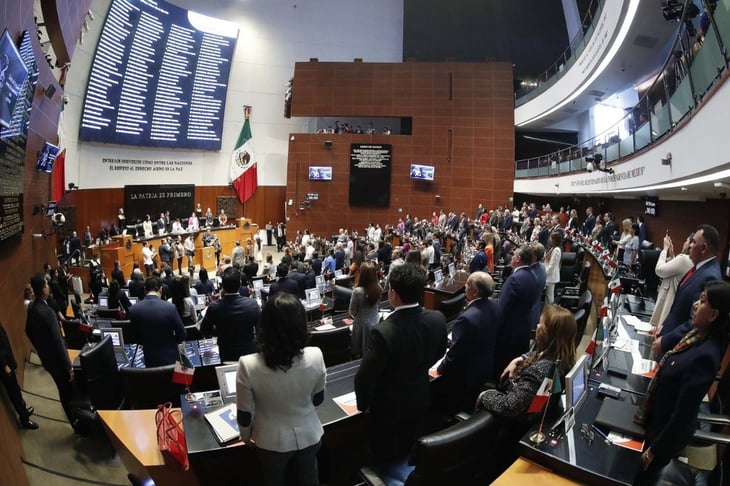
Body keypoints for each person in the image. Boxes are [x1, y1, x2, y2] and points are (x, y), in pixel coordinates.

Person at [635, 281, 730, 479]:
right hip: (654, 419)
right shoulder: (695, 336)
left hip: (660, 437)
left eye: (702, 301)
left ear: (713, 315)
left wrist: (654, 451)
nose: (695, 304)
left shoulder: (706, 356)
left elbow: (682, 415)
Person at [354, 263, 447, 463]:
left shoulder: (382, 331)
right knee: (408, 445)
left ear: (393, 294)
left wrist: (364, 407)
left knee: (383, 455)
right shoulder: (437, 318)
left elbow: (365, 377)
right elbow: (440, 352)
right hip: (420, 397)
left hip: (387, 408)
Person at [236, 293, 326, 486]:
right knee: (310, 479)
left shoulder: (247, 364)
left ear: (263, 326)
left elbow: (244, 414)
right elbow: (318, 400)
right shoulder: (316, 355)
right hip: (310, 435)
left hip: (269, 442)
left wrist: (245, 437)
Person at [477, 304, 576, 418]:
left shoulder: (537, 372)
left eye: (540, 323)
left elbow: (509, 407)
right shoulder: (565, 358)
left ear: (547, 334)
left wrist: (485, 395)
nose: (537, 326)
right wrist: (521, 358)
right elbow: (538, 354)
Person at [435, 272, 502, 413]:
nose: (465, 286)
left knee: (456, 402)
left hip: (465, 373)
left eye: (468, 284)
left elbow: (455, 354)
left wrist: (439, 370)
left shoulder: (467, 318)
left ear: (475, 291)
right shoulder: (496, 305)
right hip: (485, 365)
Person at [654, 224, 722, 357]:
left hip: (677, 345)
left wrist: (666, 340)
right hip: (669, 334)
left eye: (694, 242)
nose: (690, 246)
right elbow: (679, 307)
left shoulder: (710, 276)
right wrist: (665, 325)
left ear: (703, 248)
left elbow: (696, 320)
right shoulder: (699, 269)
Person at [25, 274, 76, 428]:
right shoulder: (47, 312)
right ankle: (76, 422)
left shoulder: (32, 307)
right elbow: (58, 341)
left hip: (47, 359)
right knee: (68, 392)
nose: (48, 287)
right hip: (58, 362)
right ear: (43, 289)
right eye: (46, 285)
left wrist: (41, 348)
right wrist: (69, 367)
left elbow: (27, 330)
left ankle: (74, 419)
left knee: (62, 389)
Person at [493, 244, 542, 381]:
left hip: (508, 332)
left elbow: (502, 309)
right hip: (523, 327)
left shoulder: (514, 279)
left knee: (502, 367)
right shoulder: (533, 275)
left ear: (518, 259)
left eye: (514, 256)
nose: (512, 258)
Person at [201, 267, 259, 361]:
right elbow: (261, 330)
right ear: (240, 284)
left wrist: (219, 331)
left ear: (222, 285)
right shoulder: (252, 304)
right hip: (249, 356)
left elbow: (205, 330)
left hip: (226, 355)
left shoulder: (214, 307)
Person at [128, 276, 186, 367]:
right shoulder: (170, 307)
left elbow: (134, 337)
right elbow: (182, 334)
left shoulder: (133, 310)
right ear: (161, 290)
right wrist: (171, 342)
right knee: (180, 378)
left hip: (149, 360)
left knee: (155, 380)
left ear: (145, 290)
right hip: (171, 359)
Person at [650, 233, 695, 331]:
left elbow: (659, 270)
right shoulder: (689, 261)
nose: (684, 243)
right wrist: (672, 255)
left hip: (669, 300)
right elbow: (677, 274)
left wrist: (665, 249)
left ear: (690, 244)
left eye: (686, 241)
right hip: (675, 302)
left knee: (660, 331)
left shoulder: (684, 259)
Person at [1, 320, 37, 429]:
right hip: (4, 366)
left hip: (7, 360)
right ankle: (24, 418)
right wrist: (4, 365)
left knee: (16, 390)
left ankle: (24, 410)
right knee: (14, 393)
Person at [349, 262, 382, 358]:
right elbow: (378, 305)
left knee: (360, 355)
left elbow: (352, 311)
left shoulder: (357, 291)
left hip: (361, 326)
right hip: (376, 322)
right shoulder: (378, 288)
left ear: (362, 274)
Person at [544, 231, 562, 305]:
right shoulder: (552, 248)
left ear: (555, 240)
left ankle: (549, 311)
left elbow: (551, 266)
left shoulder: (556, 250)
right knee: (547, 296)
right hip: (549, 275)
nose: (549, 239)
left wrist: (544, 273)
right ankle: (546, 310)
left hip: (551, 276)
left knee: (550, 297)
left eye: (551, 238)